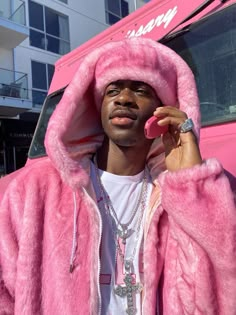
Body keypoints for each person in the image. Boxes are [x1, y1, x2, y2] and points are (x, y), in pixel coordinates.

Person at [0, 37, 235, 315]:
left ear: (164, 111)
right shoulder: (32, 191)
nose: (124, 98)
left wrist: (191, 184)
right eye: (112, 91)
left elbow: (221, 289)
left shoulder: (200, 192)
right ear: (97, 108)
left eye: (140, 90)